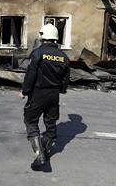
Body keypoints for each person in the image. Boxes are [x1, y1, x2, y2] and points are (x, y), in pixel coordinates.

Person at [18, 23, 70, 170]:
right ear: (56, 39)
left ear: (42, 37)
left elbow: (31, 75)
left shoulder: (37, 53)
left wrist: (24, 91)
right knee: (51, 124)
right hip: (54, 95)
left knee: (31, 120)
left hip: (38, 93)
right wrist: (61, 90)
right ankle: (46, 149)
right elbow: (66, 79)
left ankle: (39, 153)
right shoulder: (64, 57)